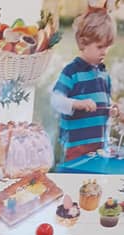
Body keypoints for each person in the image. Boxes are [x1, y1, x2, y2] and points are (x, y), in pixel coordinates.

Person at [51, 7, 118, 164]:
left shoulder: (103, 74)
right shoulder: (72, 72)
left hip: (99, 145)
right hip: (76, 146)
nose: (105, 52)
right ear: (83, 43)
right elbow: (56, 100)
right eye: (100, 47)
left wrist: (112, 108)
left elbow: (103, 101)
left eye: (107, 46)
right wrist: (77, 104)